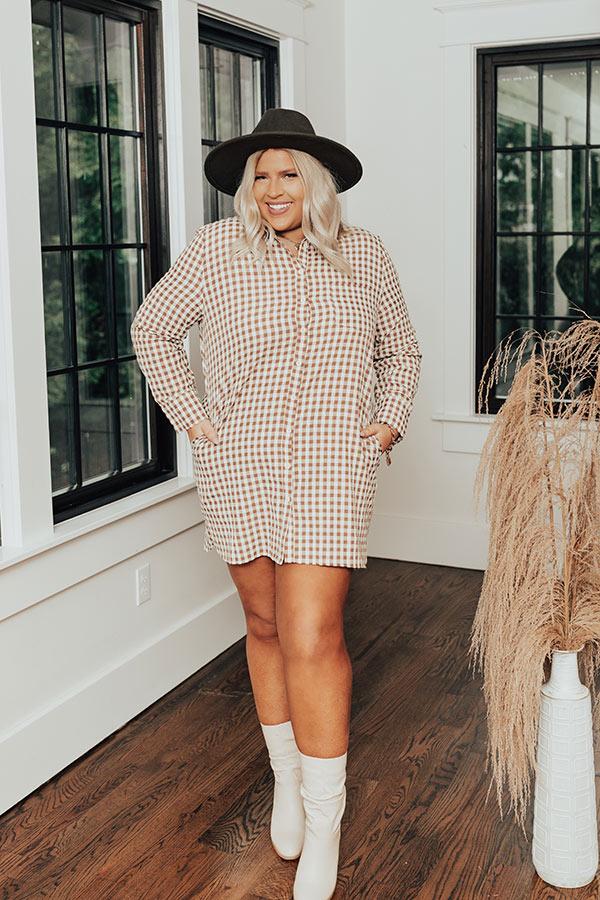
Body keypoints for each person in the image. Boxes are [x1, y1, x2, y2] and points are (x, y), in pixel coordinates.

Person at [131, 107, 422, 900]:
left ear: (317, 181)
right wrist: (195, 420)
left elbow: (400, 350)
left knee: (313, 635)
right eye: (259, 175)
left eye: (288, 172)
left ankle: (325, 823)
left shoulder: (365, 255)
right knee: (263, 625)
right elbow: (153, 329)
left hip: (331, 466)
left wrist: (387, 422)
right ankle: (287, 781)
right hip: (241, 465)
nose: (272, 188)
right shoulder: (216, 252)